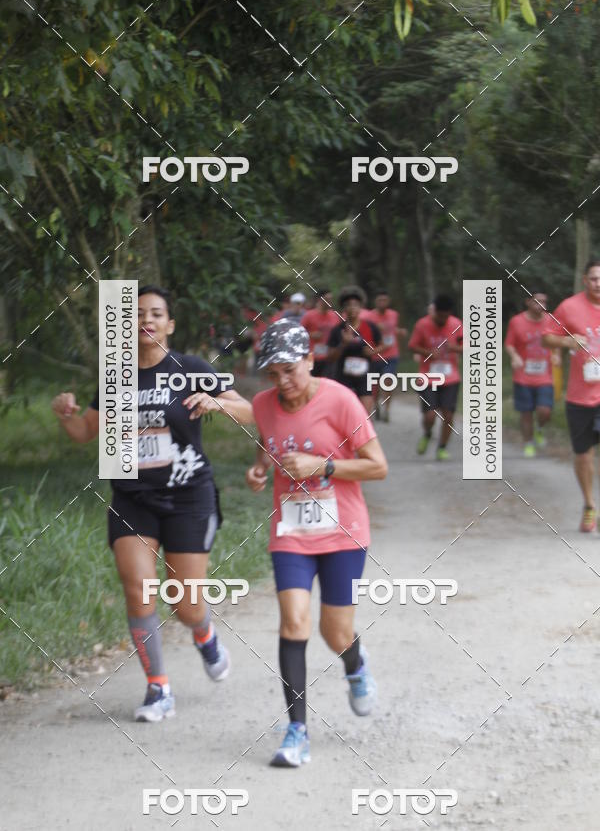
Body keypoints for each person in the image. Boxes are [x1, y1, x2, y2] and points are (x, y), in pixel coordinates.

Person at [51, 285, 253, 721]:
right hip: (132, 497)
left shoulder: (191, 368)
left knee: (185, 606)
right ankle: (158, 688)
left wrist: (217, 403)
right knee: (139, 590)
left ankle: (204, 634)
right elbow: (85, 432)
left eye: (156, 313)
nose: (147, 320)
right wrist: (67, 415)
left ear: (170, 324)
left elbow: (251, 412)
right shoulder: (115, 375)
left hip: (188, 495)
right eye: (138, 313)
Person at [246, 319, 388, 767]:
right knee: (293, 622)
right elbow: (268, 444)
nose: (282, 382)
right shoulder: (263, 404)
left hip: (343, 532)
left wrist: (323, 466)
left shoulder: (341, 400)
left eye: (290, 370)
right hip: (291, 532)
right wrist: (259, 470)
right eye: (273, 374)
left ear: (310, 359)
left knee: (335, 633)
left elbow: (378, 467)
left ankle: (355, 665)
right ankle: (297, 732)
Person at [543, 261, 600, 532]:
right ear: (585, 280)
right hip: (580, 396)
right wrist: (567, 341)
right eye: (594, 278)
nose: (598, 283)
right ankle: (589, 505)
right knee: (583, 456)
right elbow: (546, 338)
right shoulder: (569, 307)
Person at [408, 294, 463, 460]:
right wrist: (428, 353)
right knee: (430, 415)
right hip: (427, 377)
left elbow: (467, 346)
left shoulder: (456, 324)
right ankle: (427, 433)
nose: (443, 320)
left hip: (451, 377)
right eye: (440, 316)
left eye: (446, 316)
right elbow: (412, 346)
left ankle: (442, 447)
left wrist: (454, 348)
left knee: (448, 415)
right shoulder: (422, 324)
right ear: (435, 312)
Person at [505, 291, 556, 457]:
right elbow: (509, 344)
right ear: (528, 302)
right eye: (537, 301)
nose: (542, 305)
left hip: (545, 376)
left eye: (544, 302)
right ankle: (528, 442)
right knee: (526, 412)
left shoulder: (551, 320)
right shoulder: (516, 321)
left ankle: (539, 429)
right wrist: (514, 356)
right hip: (523, 377)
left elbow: (558, 340)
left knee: (544, 410)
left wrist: (556, 354)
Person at [326, 286, 383, 412]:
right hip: (343, 378)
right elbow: (330, 357)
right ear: (344, 309)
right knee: (345, 414)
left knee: (365, 416)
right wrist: (343, 344)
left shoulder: (370, 327)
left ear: (361, 307)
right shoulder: (338, 330)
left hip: (365, 378)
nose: (352, 308)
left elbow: (382, 345)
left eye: (356, 305)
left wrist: (373, 351)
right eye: (348, 305)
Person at [364, 291, 407, 422]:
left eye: (385, 300)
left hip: (391, 354)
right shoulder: (369, 316)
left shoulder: (394, 314)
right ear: (375, 302)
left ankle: (387, 410)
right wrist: (375, 328)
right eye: (380, 300)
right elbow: (364, 334)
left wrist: (400, 331)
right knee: (375, 385)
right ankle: (376, 405)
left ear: (388, 301)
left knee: (388, 380)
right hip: (375, 355)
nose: (382, 303)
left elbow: (393, 329)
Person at [301, 288, 338, 378]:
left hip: (328, 356)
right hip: (311, 356)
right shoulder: (309, 315)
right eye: (327, 299)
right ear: (319, 300)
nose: (329, 302)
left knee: (326, 381)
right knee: (309, 379)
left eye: (331, 299)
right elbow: (299, 333)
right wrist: (310, 334)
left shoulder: (334, 316)